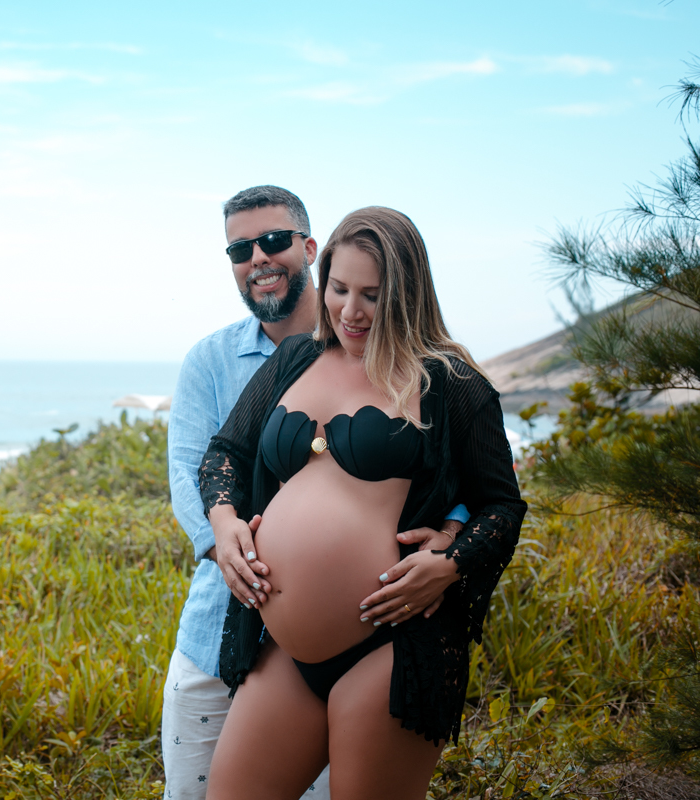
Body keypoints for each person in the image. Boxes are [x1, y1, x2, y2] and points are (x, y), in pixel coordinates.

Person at [197, 206, 527, 800]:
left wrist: (448, 565)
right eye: (340, 288)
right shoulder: (296, 359)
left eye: (372, 295)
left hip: (392, 646)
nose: (350, 311)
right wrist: (225, 526)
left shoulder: (450, 383)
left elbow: (502, 507)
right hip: (284, 653)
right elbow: (225, 452)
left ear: (407, 293)